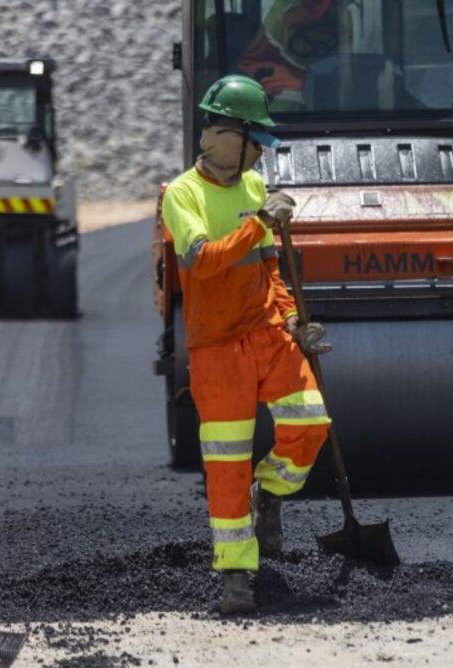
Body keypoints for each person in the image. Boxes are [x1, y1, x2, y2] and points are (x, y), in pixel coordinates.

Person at [160, 74, 332, 613]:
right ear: (229, 137)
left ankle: (272, 490)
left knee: (309, 422)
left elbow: (269, 271)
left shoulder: (255, 187)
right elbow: (203, 263)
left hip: (265, 334)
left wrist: (292, 320)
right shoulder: (180, 196)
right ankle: (236, 577)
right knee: (225, 465)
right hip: (215, 350)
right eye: (257, 141)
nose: (262, 153)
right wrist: (257, 222)